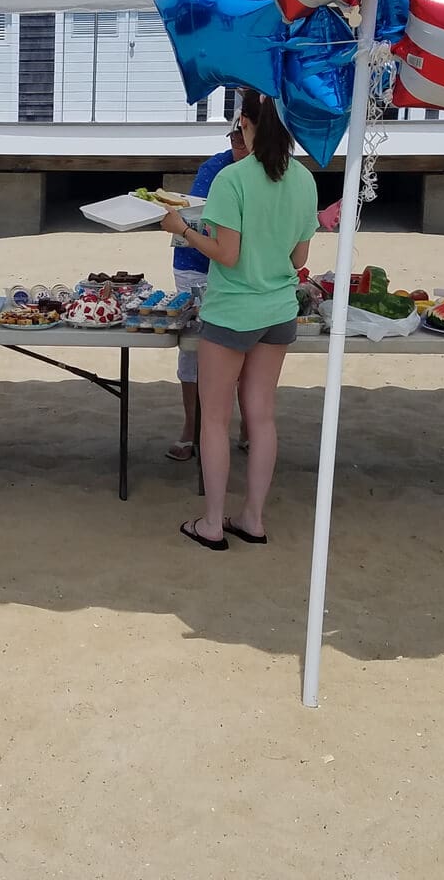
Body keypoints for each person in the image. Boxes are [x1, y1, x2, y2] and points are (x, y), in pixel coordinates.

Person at [161, 89, 318, 550]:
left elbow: (225, 255)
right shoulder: (304, 180)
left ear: (244, 123)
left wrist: (184, 229)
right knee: (262, 417)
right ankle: (252, 517)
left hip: (233, 312)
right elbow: (299, 256)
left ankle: (212, 522)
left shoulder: (233, 179)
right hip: (278, 310)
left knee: (214, 419)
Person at [164, 124, 250, 463]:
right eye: (235, 136)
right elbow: (196, 214)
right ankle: (191, 427)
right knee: (193, 347)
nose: (240, 142)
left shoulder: (271, 170)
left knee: (245, 346)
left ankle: (247, 427)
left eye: (246, 134)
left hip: (240, 266)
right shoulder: (215, 167)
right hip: (196, 262)